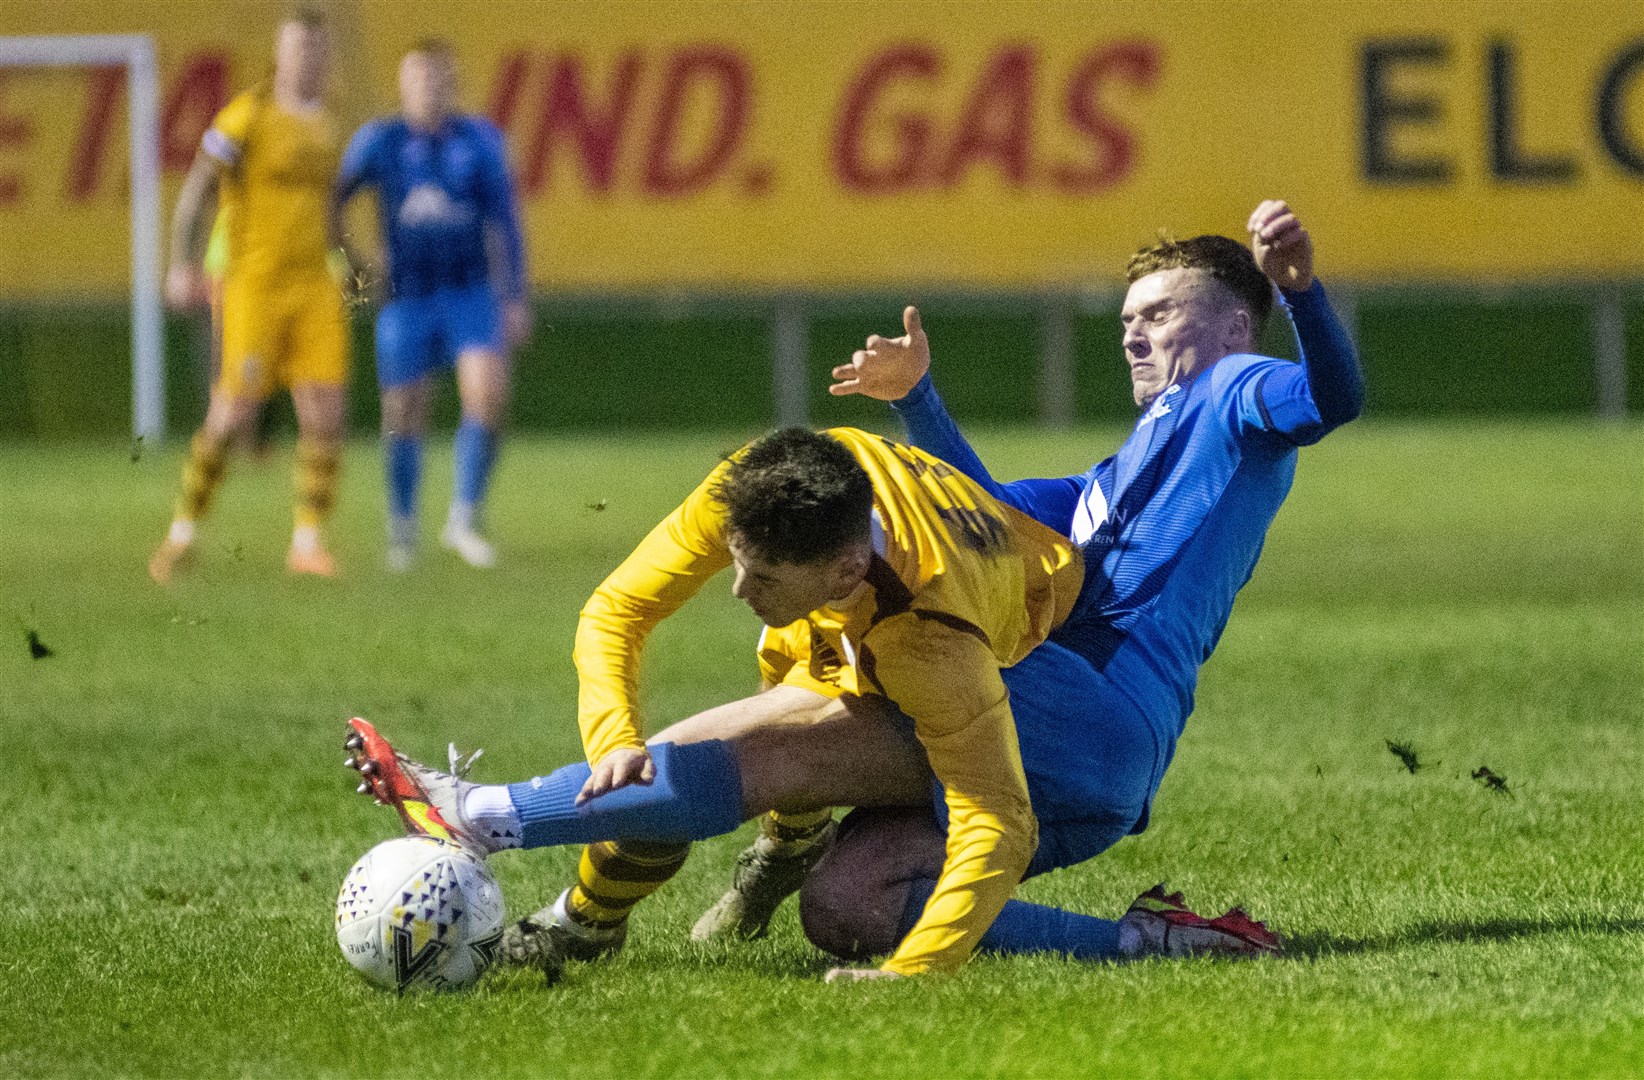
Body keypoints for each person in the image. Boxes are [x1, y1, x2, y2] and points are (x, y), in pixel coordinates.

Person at [691, 199, 1363, 972]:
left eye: (1158, 314)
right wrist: (918, 399)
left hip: (1093, 712)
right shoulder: (1104, 482)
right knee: (848, 905)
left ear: (1235, 327)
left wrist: (1302, 292)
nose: (1133, 336)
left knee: (866, 620)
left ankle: (748, 832)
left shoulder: (1235, 390)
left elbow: (1330, 400)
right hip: (1048, 722)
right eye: (1125, 323)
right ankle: (1153, 940)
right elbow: (981, 521)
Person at [346, 425, 1277, 982]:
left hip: (1065, 734)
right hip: (945, 656)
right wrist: (613, 735)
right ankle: (1147, 941)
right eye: (737, 561)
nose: (736, 589)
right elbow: (618, 608)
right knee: (842, 905)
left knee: (780, 755)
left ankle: (483, 817)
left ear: (840, 569)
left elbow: (1000, 821)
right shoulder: (771, 484)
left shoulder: (926, 630)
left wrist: (916, 975)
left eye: (761, 577)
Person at [149, 9, 348, 582]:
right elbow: (197, 192)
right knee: (232, 413)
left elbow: (326, 212)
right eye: (297, 49)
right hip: (253, 286)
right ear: (280, 55)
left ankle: (307, 543)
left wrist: (353, 263)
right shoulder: (247, 116)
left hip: (314, 285)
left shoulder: (328, 124)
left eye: (316, 50)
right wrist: (182, 262)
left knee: (325, 413)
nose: (307, 59)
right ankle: (183, 532)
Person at [329, 39, 529, 571]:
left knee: (487, 395)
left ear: (452, 85)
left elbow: (507, 222)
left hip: (471, 291)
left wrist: (516, 296)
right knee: (402, 411)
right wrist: (353, 274)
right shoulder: (379, 141)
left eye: (438, 80)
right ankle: (403, 524)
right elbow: (333, 204)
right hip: (407, 297)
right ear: (402, 86)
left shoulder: (480, 141)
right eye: (418, 80)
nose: (429, 90)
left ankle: (463, 517)